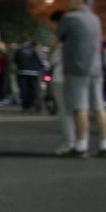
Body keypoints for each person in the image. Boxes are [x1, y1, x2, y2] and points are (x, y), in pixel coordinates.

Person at [56, 0, 106, 158]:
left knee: (80, 107)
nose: (68, 2)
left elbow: (58, 36)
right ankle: (105, 145)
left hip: (76, 68)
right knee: (99, 107)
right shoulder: (95, 19)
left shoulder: (69, 18)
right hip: (96, 68)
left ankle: (81, 146)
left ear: (79, 0)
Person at [47, 10, 76, 154]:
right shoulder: (74, 36)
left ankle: (69, 143)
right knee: (76, 111)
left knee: (65, 112)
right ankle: (79, 142)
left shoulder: (58, 39)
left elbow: (52, 60)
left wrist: (50, 50)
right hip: (74, 77)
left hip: (60, 77)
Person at [13, 40, 44, 112]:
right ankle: (32, 103)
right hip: (33, 73)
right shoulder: (34, 51)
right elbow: (39, 62)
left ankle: (25, 106)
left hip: (22, 72)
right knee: (33, 89)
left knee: (23, 89)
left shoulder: (19, 50)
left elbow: (15, 61)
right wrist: (42, 67)